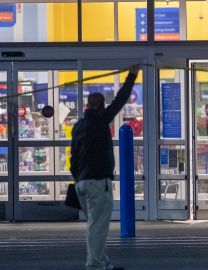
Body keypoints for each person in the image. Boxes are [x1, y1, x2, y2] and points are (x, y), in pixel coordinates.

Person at [70, 64, 140, 270]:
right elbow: (121, 98)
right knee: (98, 226)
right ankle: (96, 264)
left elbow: (73, 157)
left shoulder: (78, 126)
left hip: (82, 182)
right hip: (97, 181)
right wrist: (132, 75)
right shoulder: (101, 121)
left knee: (94, 224)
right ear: (101, 106)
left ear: (87, 105)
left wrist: (78, 178)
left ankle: (101, 261)